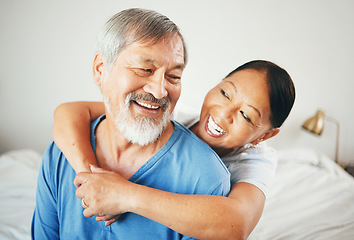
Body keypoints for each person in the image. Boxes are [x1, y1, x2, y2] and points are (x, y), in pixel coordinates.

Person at [31, 8, 231, 240]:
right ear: (100, 70)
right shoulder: (61, 153)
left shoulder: (205, 178)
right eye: (145, 69)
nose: (159, 90)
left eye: (174, 77)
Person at [53, 60, 296, 239]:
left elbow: (236, 224)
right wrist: (90, 180)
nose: (223, 113)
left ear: (265, 135)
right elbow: (70, 112)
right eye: (224, 93)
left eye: (246, 115)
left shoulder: (256, 162)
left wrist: (123, 195)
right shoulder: (175, 117)